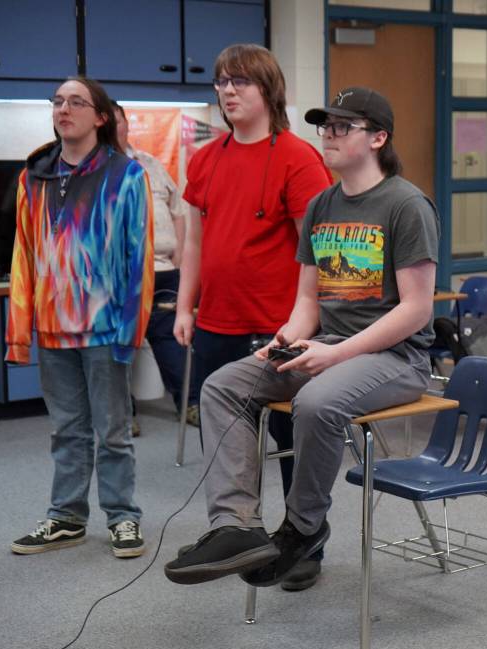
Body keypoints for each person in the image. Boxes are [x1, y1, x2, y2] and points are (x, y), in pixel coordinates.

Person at [164, 86, 439, 588]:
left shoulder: (406, 205)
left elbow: (417, 309)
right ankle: (236, 527)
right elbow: (308, 302)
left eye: (342, 127)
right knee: (223, 386)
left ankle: (304, 527)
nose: (329, 137)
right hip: (329, 346)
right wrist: (285, 338)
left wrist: (335, 353)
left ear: (379, 137)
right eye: (325, 126)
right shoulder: (322, 206)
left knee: (315, 402)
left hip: (396, 358)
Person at [174, 44, 333, 589]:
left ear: (268, 90)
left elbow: (314, 251)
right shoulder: (205, 158)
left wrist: (303, 323)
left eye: (240, 81)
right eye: (220, 82)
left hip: (279, 326)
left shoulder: (296, 156)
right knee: (224, 438)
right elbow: (193, 240)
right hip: (219, 319)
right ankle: (239, 533)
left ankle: (303, 546)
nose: (228, 91)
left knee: (293, 439)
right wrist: (184, 304)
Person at [7, 78, 154, 559]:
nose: (63, 108)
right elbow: (24, 255)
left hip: (106, 326)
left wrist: (133, 328)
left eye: (76, 101)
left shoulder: (126, 175)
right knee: (65, 429)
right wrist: (19, 329)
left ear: (100, 117)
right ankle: (67, 516)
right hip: (52, 326)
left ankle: (123, 517)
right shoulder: (35, 176)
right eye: (57, 101)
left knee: (112, 429)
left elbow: (140, 258)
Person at [113, 101, 193, 435]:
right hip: (123, 275)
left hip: (164, 270)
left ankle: (189, 403)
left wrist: (178, 256)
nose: (118, 128)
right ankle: (121, 414)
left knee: (171, 339)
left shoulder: (150, 164)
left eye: (121, 121)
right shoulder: (98, 171)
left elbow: (177, 209)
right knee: (120, 345)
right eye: (110, 122)